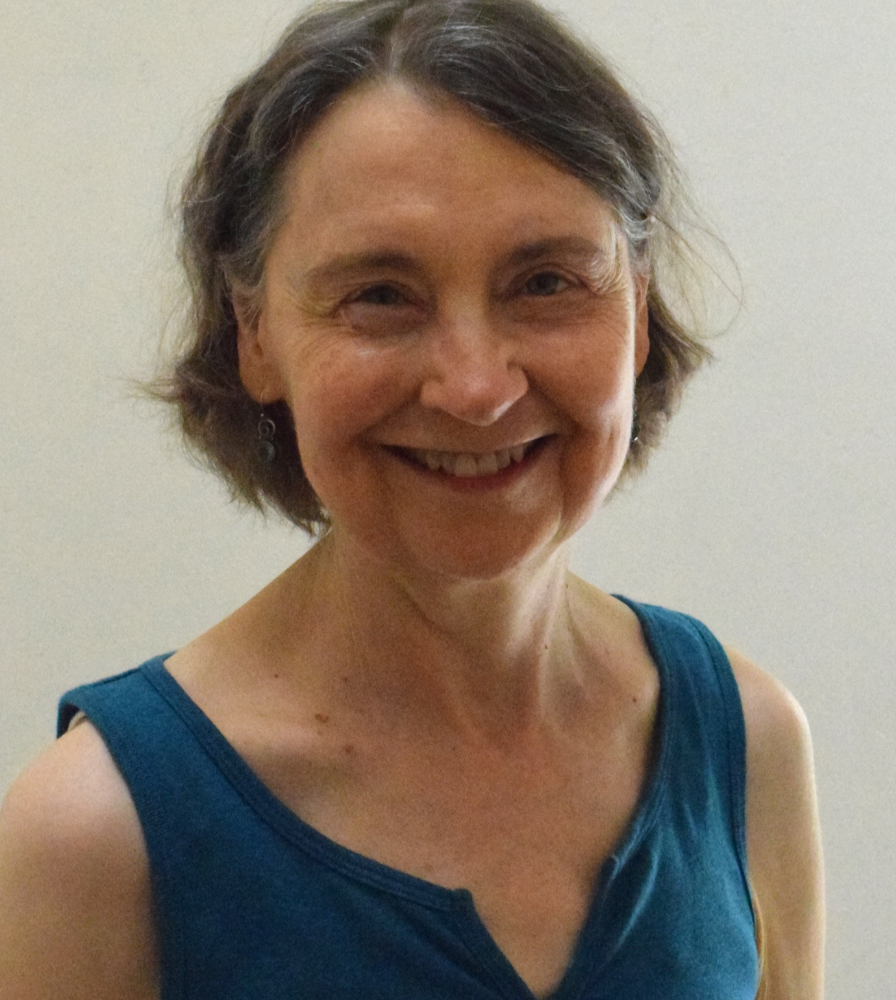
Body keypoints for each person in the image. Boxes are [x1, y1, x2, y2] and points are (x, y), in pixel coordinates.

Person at [0, 0, 824, 997]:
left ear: (638, 309)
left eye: (546, 281)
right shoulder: (94, 835)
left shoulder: (747, 744)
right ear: (254, 334)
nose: (475, 387)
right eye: (380, 296)